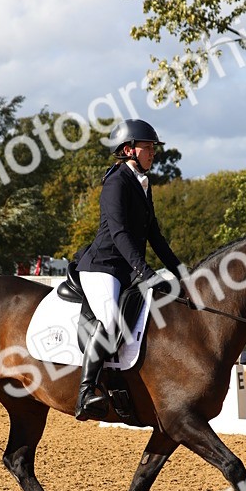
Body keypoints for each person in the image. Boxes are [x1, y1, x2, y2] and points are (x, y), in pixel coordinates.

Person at [74, 118, 183, 421]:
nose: (153, 153)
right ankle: (86, 390)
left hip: (126, 269)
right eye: (148, 147)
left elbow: (155, 237)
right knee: (109, 319)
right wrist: (145, 272)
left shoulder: (143, 184)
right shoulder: (116, 182)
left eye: (152, 148)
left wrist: (183, 273)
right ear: (128, 149)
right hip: (103, 266)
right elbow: (120, 233)